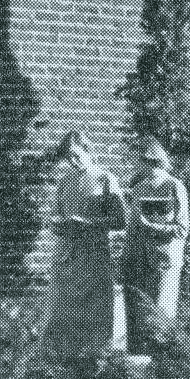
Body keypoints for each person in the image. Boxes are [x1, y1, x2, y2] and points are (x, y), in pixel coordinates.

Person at [39, 131, 126, 359]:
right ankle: (63, 366)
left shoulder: (105, 178)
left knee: (95, 314)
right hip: (67, 258)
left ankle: (95, 365)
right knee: (62, 314)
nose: (73, 161)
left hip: (94, 257)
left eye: (76, 155)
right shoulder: (64, 182)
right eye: (68, 158)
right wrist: (59, 224)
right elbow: (54, 217)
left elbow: (120, 220)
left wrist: (88, 224)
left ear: (87, 149)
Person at [122, 138, 190, 353]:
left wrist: (151, 226)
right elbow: (132, 228)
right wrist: (126, 256)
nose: (132, 162)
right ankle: (138, 368)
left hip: (163, 262)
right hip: (138, 260)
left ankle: (161, 367)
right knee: (138, 316)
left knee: (160, 315)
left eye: (135, 158)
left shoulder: (174, 186)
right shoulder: (139, 188)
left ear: (148, 158)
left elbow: (181, 229)